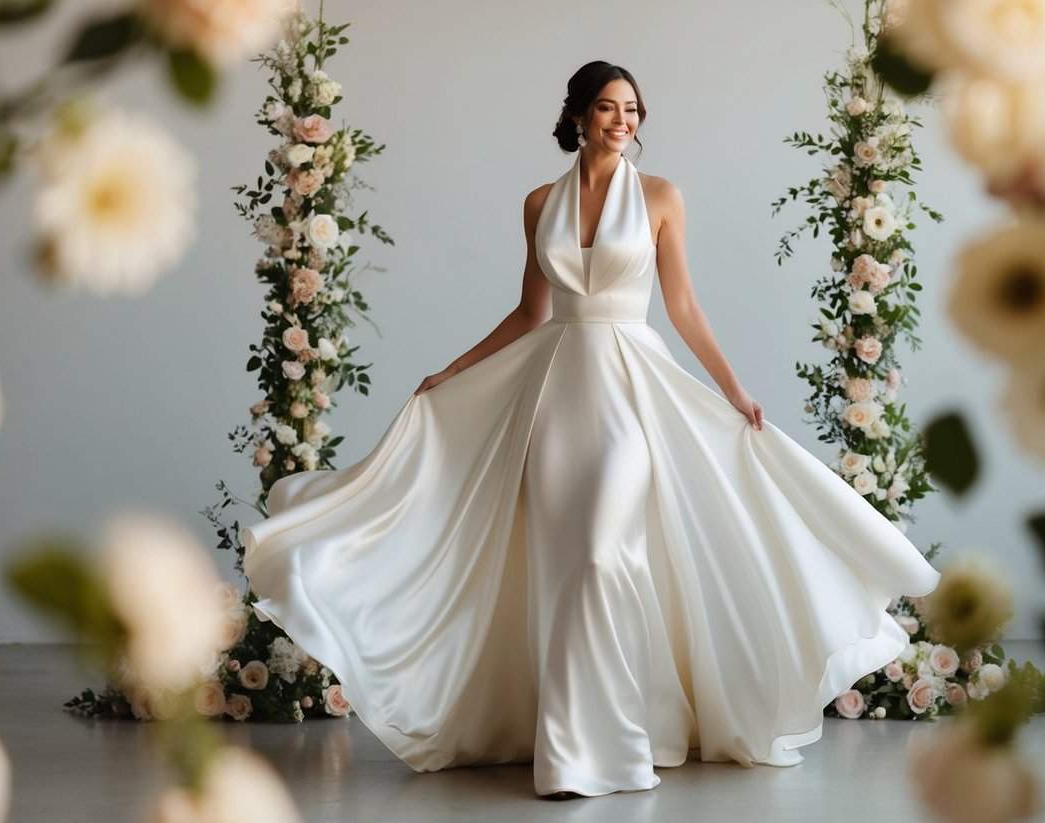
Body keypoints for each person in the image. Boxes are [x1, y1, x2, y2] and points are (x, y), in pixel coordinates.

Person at [241, 59, 942, 800]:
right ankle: (571, 744)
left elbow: (684, 307)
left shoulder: (662, 197)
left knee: (608, 553)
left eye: (633, 110)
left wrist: (734, 389)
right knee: (566, 562)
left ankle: (606, 748)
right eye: (608, 108)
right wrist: (451, 370)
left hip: (629, 383)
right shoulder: (539, 201)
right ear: (578, 114)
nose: (623, 121)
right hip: (557, 391)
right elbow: (530, 312)